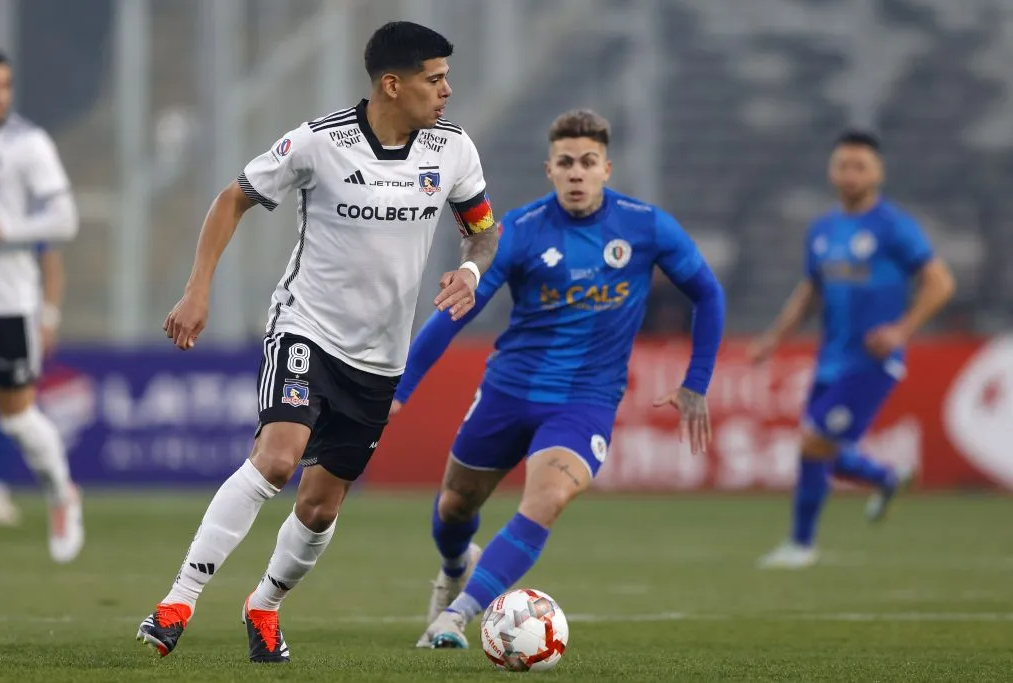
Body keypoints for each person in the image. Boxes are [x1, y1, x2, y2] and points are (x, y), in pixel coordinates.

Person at [136, 21, 499, 663]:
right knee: (277, 460)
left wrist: (470, 271)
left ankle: (264, 607)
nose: (447, 90)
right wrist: (197, 291)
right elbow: (232, 199)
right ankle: (177, 601)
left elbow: (481, 229)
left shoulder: (453, 149)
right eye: (434, 78)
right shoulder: (318, 142)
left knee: (320, 506)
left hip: (382, 355)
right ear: (393, 83)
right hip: (305, 326)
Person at [391, 109, 726, 649]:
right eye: (566, 162)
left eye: (587, 162)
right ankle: (456, 565)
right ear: (549, 169)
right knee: (455, 507)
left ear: (606, 169)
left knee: (545, 499)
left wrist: (698, 379)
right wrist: (399, 391)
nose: (577, 172)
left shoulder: (646, 226)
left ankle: (455, 617)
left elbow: (708, 293)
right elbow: (458, 310)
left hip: (584, 403)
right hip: (508, 391)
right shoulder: (519, 231)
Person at [749, 130, 955, 569]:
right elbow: (810, 291)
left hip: (872, 361)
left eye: (860, 166)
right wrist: (774, 337)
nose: (850, 173)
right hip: (831, 358)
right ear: (831, 170)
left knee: (813, 443)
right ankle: (884, 478)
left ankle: (802, 546)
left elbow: (940, 283)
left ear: (877, 172)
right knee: (822, 451)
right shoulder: (822, 228)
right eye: (843, 165)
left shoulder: (894, 227)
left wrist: (902, 330)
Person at [0, 48, 82, 562]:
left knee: (17, 421)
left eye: (3, 85)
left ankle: (61, 493)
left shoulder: (28, 145)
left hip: (7, 303)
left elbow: (64, 221)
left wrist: (4, 231)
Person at [0, 242, 64, 528]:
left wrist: (48, 316)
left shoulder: (22, 204)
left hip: (11, 317)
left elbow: (51, 260)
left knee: (11, 412)